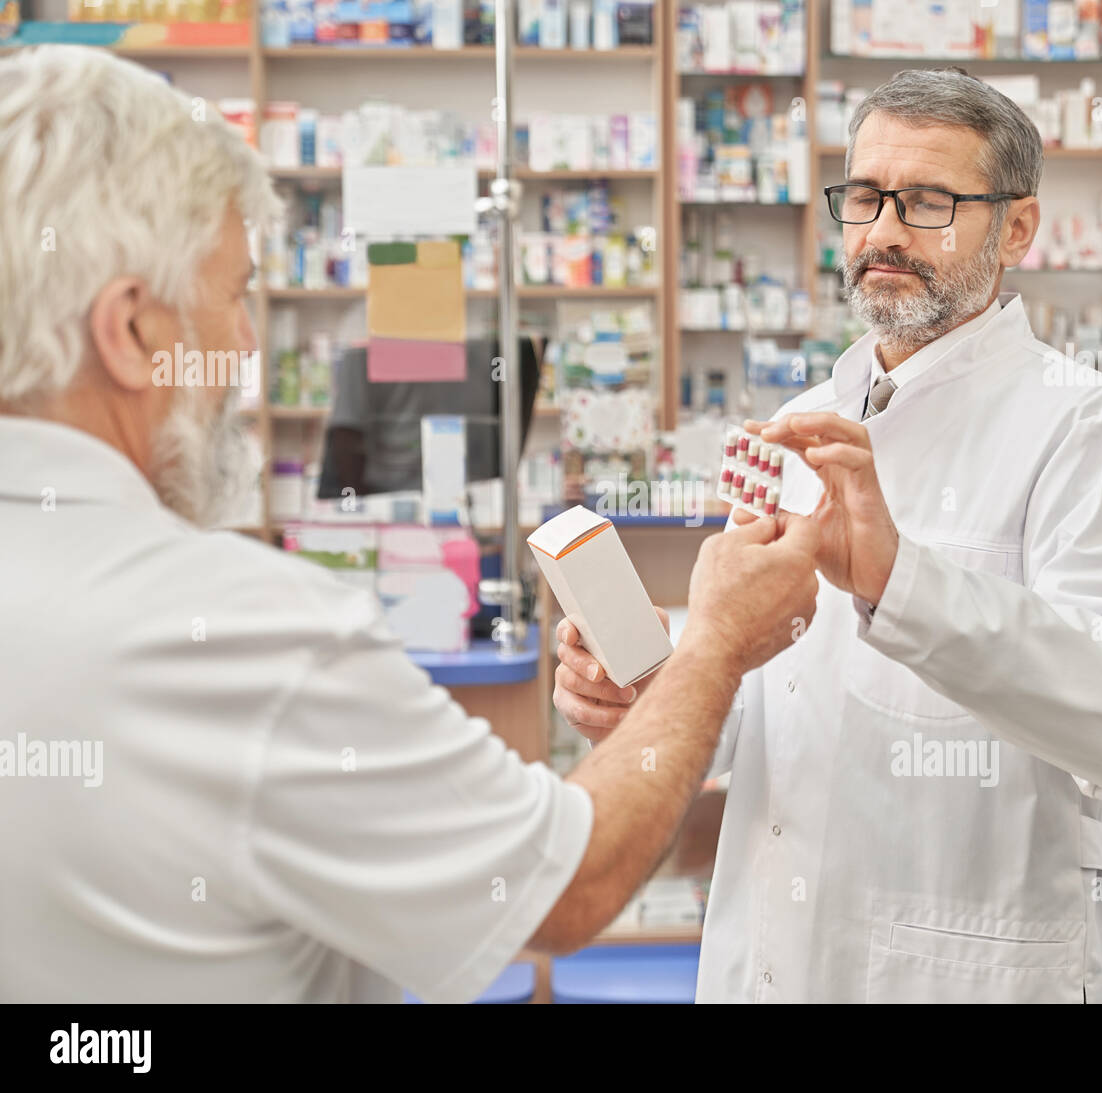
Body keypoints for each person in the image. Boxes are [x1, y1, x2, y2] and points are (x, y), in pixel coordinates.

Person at [0, 45, 821, 1003]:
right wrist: (715, 643)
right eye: (233, 297)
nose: (248, 346)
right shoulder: (240, 629)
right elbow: (561, 885)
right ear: (133, 329)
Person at [554, 68, 1102, 1003]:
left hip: (966, 969)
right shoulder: (805, 419)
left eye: (932, 201)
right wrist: (662, 682)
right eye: (865, 198)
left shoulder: (1088, 427)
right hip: (770, 964)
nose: (885, 232)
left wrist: (901, 580)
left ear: (1016, 229)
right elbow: (785, 709)